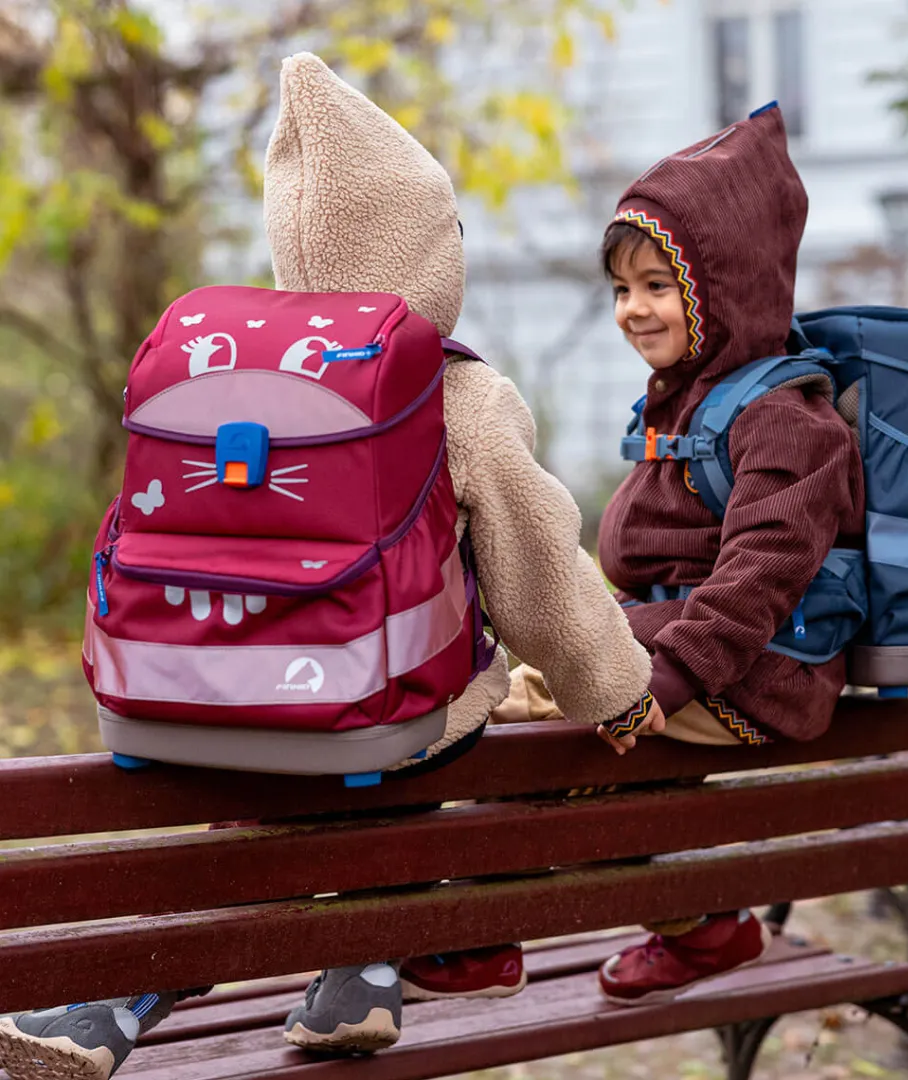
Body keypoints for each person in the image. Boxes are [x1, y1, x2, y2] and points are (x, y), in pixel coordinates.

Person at [0, 53, 661, 1080]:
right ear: (431, 247)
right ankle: (365, 967)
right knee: (441, 700)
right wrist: (613, 689)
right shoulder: (461, 393)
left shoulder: (228, 375)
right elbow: (539, 570)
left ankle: (116, 1003)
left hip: (213, 704)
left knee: (262, 803)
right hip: (383, 725)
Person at [493, 103, 865, 1005]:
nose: (633, 310)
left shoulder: (789, 421)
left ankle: (474, 931)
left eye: (657, 285)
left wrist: (664, 678)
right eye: (622, 290)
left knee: (552, 733)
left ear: (724, 287)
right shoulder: (688, 405)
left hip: (755, 672)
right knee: (501, 705)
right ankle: (698, 925)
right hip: (681, 648)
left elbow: (759, 575)